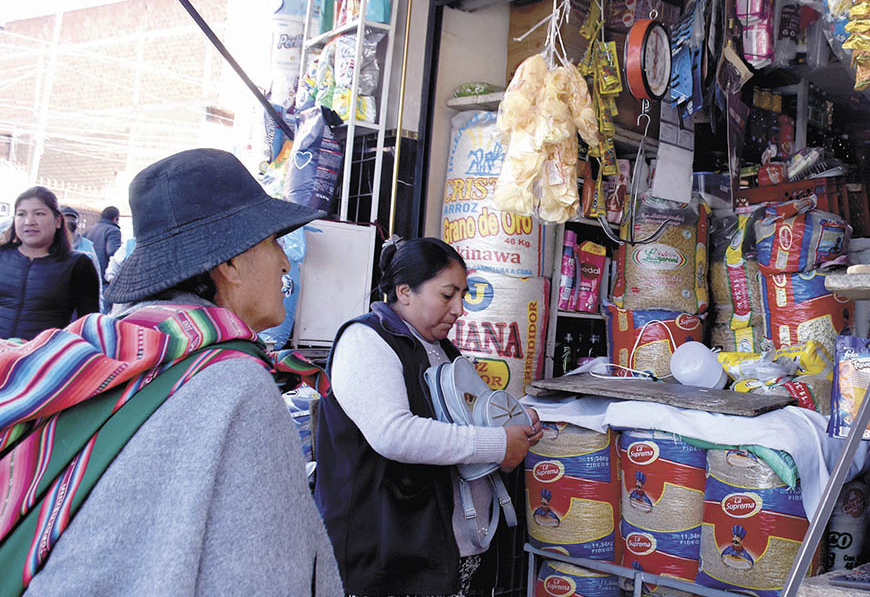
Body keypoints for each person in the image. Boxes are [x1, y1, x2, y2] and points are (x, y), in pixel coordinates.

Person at [10, 149, 342, 594]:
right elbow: (263, 574)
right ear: (230, 264)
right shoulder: (235, 384)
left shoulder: (122, 352)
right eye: (273, 242)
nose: (285, 262)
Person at [314, 237, 543, 597]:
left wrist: (514, 423)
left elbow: (468, 422)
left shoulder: (441, 349)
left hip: (444, 551)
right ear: (404, 292)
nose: (459, 309)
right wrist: (498, 443)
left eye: (463, 296)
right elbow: (394, 434)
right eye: (447, 295)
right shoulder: (366, 341)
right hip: (385, 552)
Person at [0, 187, 100, 340]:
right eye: (21, 214)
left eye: (39, 214)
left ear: (58, 221)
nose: (29, 222)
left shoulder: (78, 265)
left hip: (45, 358)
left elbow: (89, 327)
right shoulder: (2, 256)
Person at [60, 205, 102, 276]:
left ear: (78, 222)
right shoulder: (51, 244)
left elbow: (96, 271)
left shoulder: (87, 245)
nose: (69, 221)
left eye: (72, 219)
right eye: (66, 219)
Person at [83, 204, 121, 282]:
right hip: (104, 277)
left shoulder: (89, 230)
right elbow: (113, 252)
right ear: (115, 219)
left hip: (88, 275)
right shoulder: (113, 230)